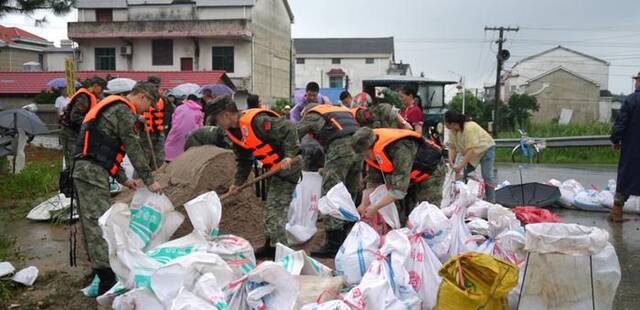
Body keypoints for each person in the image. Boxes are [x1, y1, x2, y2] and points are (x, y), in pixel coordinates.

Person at [72, 82, 163, 295]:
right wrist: (150, 180)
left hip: (89, 170)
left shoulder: (114, 108)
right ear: (141, 96)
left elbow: (104, 148)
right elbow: (133, 147)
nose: (148, 110)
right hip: (90, 173)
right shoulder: (123, 111)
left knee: (93, 221)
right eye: (149, 103)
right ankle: (105, 279)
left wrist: (124, 179)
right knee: (99, 223)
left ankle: (99, 273)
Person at [209, 96, 301, 259]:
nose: (217, 124)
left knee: (274, 212)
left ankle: (284, 254)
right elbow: (244, 160)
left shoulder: (257, 122)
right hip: (273, 170)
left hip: (288, 169)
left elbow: (289, 129)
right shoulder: (234, 133)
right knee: (269, 209)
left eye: (217, 120)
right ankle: (270, 247)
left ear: (225, 115)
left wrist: (289, 155)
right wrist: (237, 183)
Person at [296, 103, 361, 257]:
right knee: (347, 191)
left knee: (331, 191)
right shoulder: (337, 112)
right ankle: (348, 235)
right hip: (359, 148)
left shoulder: (312, 114)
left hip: (340, 148)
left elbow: (294, 133)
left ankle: (334, 244)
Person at [352, 127, 444, 225]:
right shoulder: (373, 155)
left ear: (370, 147)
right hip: (409, 177)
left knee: (427, 213)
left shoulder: (400, 149)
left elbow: (399, 191)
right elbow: (373, 182)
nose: (365, 158)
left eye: (365, 154)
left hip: (430, 172)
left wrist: (375, 207)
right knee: (402, 215)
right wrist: (363, 204)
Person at [445, 110, 496, 202]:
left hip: (486, 149)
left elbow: (470, 150)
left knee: (487, 175)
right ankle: (464, 200)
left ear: (452, 123)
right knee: (464, 175)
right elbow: (452, 147)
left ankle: (491, 201)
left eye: (446, 122)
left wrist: (460, 166)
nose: (445, 125)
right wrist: (451, 161)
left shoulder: (469, 128)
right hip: (472, 152)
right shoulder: (452, 131)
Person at [609, 72, 640, 222]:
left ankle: (616, 212)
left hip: (632, 149)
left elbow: (620, 123)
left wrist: (615, 140)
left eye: (636, 80)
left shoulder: (630, 100)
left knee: (625, 178)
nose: (635, 83)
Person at [59, 77, 106, 165]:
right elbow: (75, 116)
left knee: (76, 159)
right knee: (72, 160)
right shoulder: (84, 97)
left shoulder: (89, 97)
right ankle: (69, 178)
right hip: (70, 133)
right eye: (102, 89)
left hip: (75, 132)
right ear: (95, 86)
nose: (102, 92)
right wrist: (91, 125)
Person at [164, 94, 204, 162]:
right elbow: (200, 126)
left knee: (173, 152)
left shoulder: (179, 108)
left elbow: (173, 120)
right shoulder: (198, 111)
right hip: (191, 136)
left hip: (177, 134)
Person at [140, 76, 167, 168]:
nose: (155, 89)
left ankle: (157, 177)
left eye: (157, 86)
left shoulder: (163, 99)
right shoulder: (141, 97)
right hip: (144, 132)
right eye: (154, 86)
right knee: (143, 160)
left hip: (158, 132)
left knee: (159, 158)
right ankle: (140, 180)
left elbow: (167, 114)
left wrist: (164, 127)